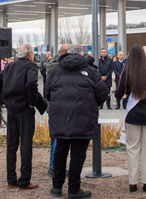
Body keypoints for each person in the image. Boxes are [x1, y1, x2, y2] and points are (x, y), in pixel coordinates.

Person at [45, 44, 107, 198]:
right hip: (83, 118)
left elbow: (47, 93)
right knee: (78, 154)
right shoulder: (90, 71)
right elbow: (102, 94)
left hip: (60, 118)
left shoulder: (55, 71)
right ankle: (73, 188)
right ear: (81, 54)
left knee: (60, 151)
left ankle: (56, 186)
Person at [0, 43, 47, 191]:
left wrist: (2, 100)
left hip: (12, 109)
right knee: (25, 144)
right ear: (30, 54)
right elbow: (31, 83)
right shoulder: (31, 66)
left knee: (11, 145)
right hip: (24, 109)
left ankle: (11, 179)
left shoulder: (10, 66)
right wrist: (31, 102)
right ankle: (24, 180)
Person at [115, 44, 146, 194]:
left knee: (132, 148)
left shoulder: (127, 72)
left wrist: (127, 91)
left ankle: (132, 183)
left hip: (133, 115)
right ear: (144, 57)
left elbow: (118, 94)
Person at [45, 44, 69, 177]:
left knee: (55, 137)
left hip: (52, 106)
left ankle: (54, 165)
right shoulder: (60, 69)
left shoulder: (51, 66)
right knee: (57, 138)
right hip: (58, 106)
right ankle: (54, 166)